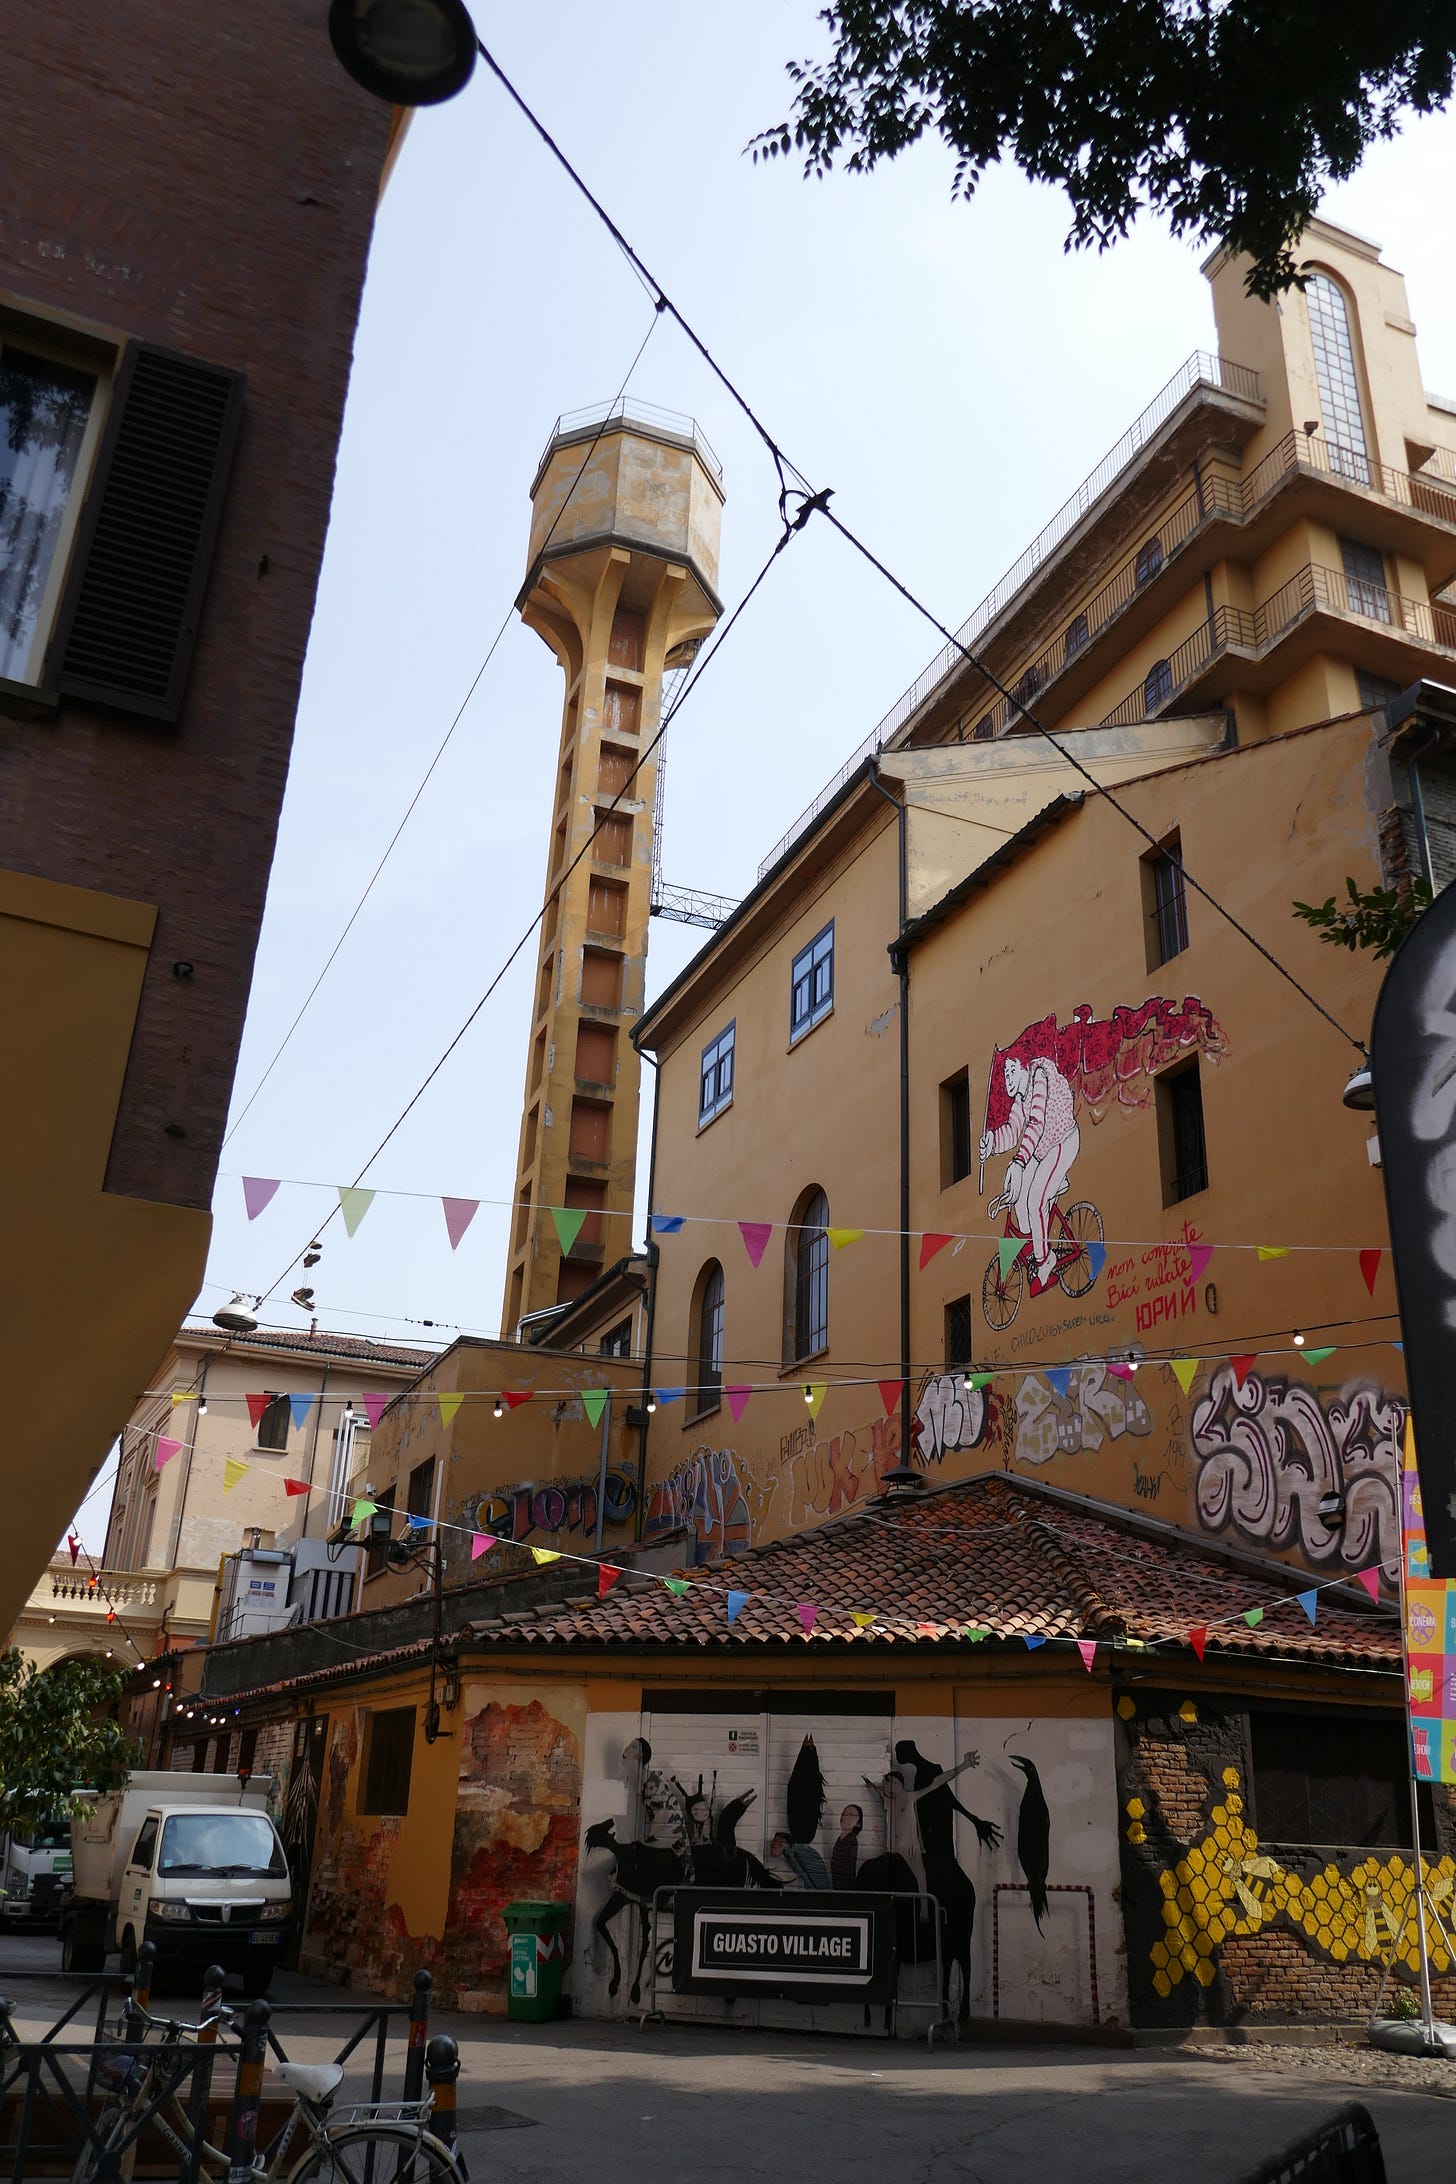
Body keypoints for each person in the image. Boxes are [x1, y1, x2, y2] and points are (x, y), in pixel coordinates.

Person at [980, 1051, 1080, 1286]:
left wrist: (1018, 1162)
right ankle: (1038, 1232)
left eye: (1012, 1071)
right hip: (1039, 1150)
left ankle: (1045, 1260)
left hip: (1062, 1141)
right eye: (1005, 1074)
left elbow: (1036, 1122)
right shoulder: (1019, 1100)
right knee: (1019, 1196)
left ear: (1024, 1068)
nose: (1008, 1079)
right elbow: (1014, 1130)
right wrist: (991, 1142)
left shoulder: (1039, 1078)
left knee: (1035, 1200)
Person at [830, 1804, 863, 1891]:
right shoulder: (839, 1840)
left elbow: (849, 1871)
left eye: (851, 1815)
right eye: (844, 1813)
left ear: (858, 1823)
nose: (844, 1816)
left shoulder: (852, 1842)